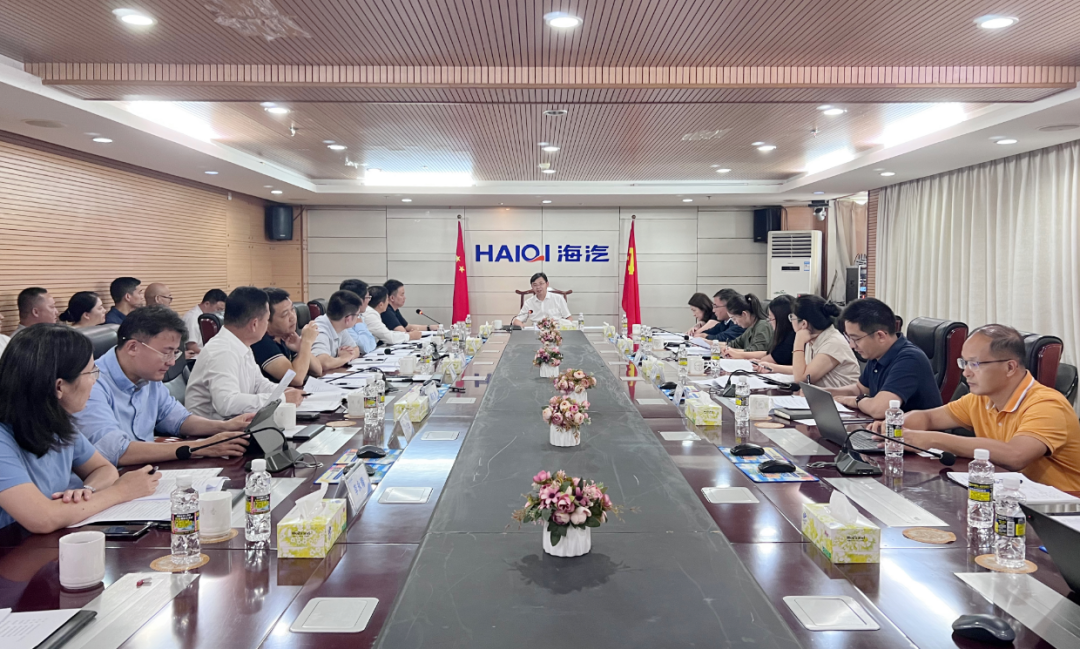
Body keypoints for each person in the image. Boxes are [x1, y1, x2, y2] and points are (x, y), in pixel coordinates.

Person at [0, 325, 160, 533]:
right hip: (12, 546)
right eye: (91, 372)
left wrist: (87, 491)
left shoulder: (55, 421)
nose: (94, 381)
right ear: (59, 387)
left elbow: (103, 468)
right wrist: (122, 491)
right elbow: (42, 518)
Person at [885, 325, 1080, 491]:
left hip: (1061, 509)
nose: (966, 373)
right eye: (964, 363)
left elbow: (1015, 455)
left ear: (1010, 368)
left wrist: (932, 439)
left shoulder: (1047, 405)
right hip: (1009, 496)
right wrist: (895, 424)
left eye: (975, 364)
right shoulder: (980, 399)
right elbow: (928, 418)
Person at [72, 307, 253, 466]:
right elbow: (116, 451)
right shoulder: (91, 383)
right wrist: (201, 447)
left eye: (175, 353)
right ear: (133, 347)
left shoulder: (148, 376)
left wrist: (225, 426)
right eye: (166, 353)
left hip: (144, 472)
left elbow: (178, 419)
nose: (172, 362)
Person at [185, 287, 303, 420]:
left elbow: (259, 384)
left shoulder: (241, 344)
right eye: (266, 320)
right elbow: (227, 403)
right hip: (212, 429)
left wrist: (282, 391)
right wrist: (281, 398)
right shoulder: (222, 351)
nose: (267, 326)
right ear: (254, 324)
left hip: (236, 424)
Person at [827, 298, 942, 419]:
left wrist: (855, 400)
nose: (851, 345)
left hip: (915, 430)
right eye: (849, 338)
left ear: (880, 336)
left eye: (856, 339)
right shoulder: (876, 354)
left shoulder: (910, 359)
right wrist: (825, 393)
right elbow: (860, 389)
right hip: (886, 427)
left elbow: (879, 409)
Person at [757, 296, 859, 388]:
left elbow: (801, 379)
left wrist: (798, 342)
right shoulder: (815, 337)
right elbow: (804, 370)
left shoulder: (833, 343)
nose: (790, 321)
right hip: (823, 398)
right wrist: (773, 367)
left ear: (804, 324)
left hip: (842, 401)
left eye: (792, 317)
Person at [252, 288, 320, 386]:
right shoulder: (261, 342)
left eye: (292, 309)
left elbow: (318, 370)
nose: (293, 317)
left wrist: (300, 347)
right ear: (267, 320)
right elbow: (296, 379)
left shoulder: (286, 336)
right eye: (285, 315)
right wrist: (306, 342)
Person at [729, 294, 797, 366]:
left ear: (781, 319)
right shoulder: (784, 335)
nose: (769, 322)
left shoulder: (790, 338)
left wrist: (759, 362)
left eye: (770, 319)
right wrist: (737, 354)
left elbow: (770, 358)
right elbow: (768, 353)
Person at [313, 290, 362, 373]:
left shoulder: (339, 326)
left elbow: (356, 349)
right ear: (348, 319)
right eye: (358, 315)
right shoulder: (319, 330)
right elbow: (323, 363)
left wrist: (346, 356)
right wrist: (345, 358)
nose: (358, 318)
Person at [181, 288, 227, 353]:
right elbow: (192, 347)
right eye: (218, 309)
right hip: (197, 355)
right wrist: (210, 354)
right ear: (207, 304)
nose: (219, 313)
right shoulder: (192, 318)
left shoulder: (209, 319)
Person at [339, 279, 378, 354]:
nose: (369, 301)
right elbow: (365, 348)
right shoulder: (344, 319)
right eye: (367, 297)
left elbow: (372, 344)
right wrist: (359, 324)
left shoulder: (359, 316)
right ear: (359, 300)